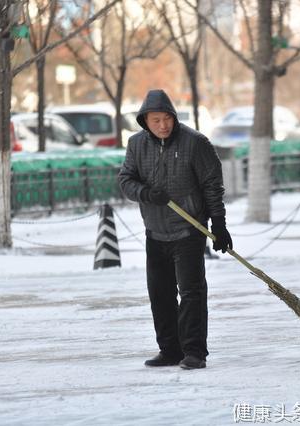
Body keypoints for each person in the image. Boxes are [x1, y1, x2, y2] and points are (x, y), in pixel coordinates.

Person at [118, 89, 232, 370]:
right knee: (160, 293)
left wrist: (218, 223)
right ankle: (169, 349)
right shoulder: (136, 145)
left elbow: (211, 185)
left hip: (188, 230)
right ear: (145, 121)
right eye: (156, 120)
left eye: (167, 119)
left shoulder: (196, 143)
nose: (163, 125)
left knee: (192, 292)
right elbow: (125, 181)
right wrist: (146, 193)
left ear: (174, 117)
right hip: (154, 232)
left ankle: (194, 352)